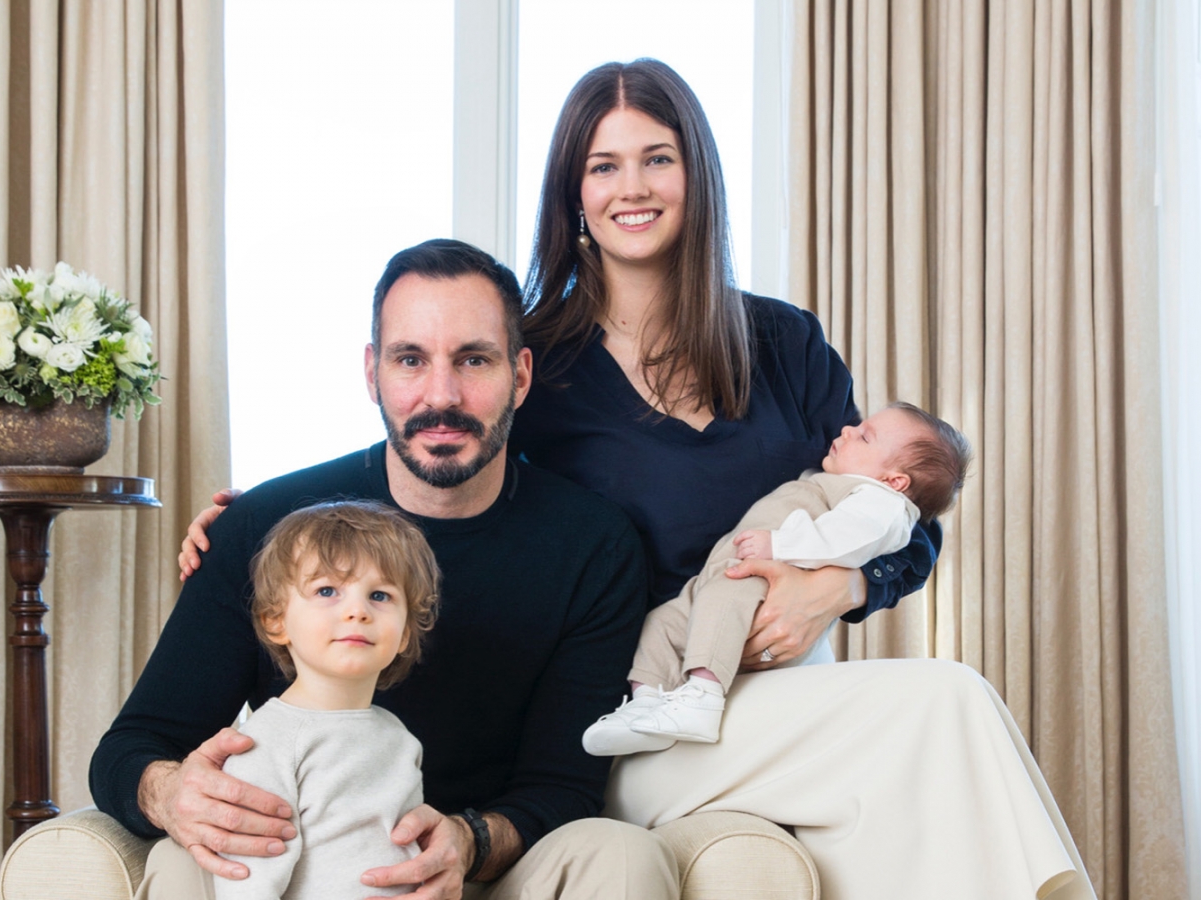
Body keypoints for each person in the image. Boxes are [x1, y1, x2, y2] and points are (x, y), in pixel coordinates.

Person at [181, 57, 1097, 900]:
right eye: (603, 166)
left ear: (695, 176)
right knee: (947, 701)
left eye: (656, 159)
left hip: (790, 688)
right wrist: (254, 528)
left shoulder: (784, 344)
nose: (633, 187)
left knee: (929, 760)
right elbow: (425, 455)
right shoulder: (538, 359)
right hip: (636, 710)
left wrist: (846, 584)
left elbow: (904, 514)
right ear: (573, 193)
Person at [90, 239, 679, 900]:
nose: (442, 394)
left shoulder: (593, 544)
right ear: (372, 373)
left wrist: (467, 841)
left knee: (621, 851)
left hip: (493, 866)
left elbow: (563, 788)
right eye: (410, 359)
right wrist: (170, 793)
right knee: (180, 859)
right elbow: (131, 748)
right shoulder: (267, 526)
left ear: (519, 375)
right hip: (304, 868)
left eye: (474, 360)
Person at [582, 403, 973, 757]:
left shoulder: (880, 504)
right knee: (664, 623)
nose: (849, 430)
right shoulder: (849, 482)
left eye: (865, 436)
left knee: (723, 603)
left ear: (895, 482)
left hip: (763, 580)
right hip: (721, 574)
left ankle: (702, 695)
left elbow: (844, 542)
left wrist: (780, 544)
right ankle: (647, 703)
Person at [215, 500, 440, 900]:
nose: (357, 611)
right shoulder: (267, 741)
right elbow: (248, 878)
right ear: (276, 620)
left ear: (405, 633)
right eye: (326, 590)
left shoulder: (397, 735)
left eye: (381, 596)